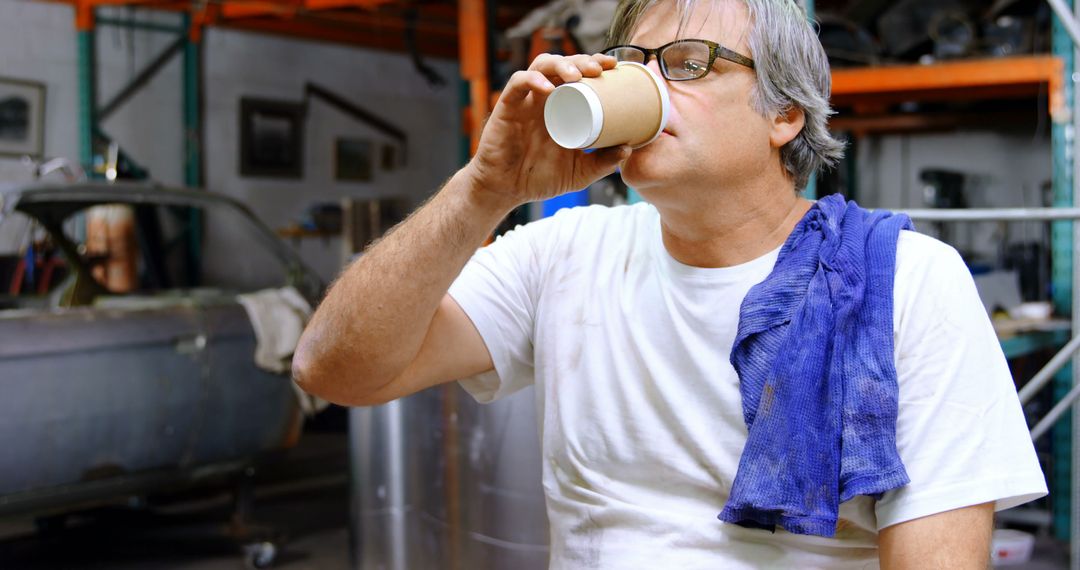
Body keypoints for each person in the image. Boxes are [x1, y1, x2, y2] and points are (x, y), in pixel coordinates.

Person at [293, 0, 1048, 567]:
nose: (647, 85)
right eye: (632, 62)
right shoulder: (564, 253)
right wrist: (487, 187)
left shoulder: (904, 282)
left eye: (686, 61)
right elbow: (333, 369)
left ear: (784, 111)